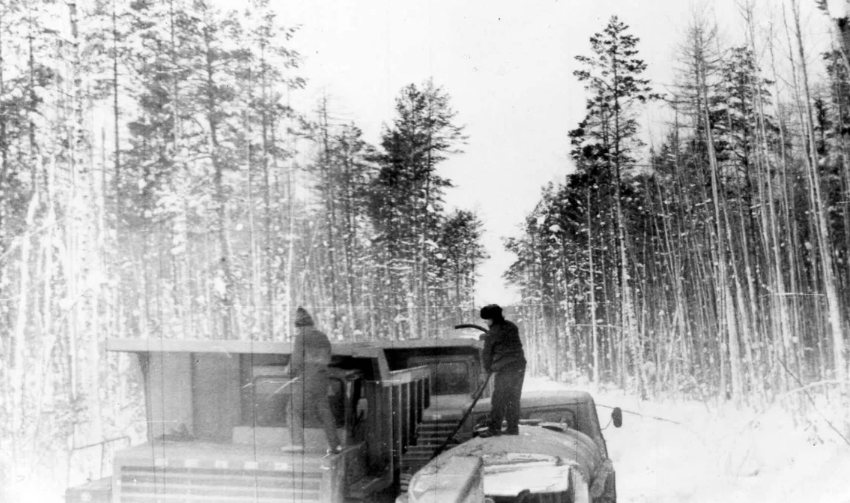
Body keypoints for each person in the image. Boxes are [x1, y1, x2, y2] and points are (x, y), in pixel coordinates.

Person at [284, 307, 342, 454]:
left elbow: (297, 361)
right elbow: (326, 358)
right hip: (322, 380)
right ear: (311, 323)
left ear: (298, 325)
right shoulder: (323, 336)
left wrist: (289, 370)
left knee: (292, 409)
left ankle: (297, 444)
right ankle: (335, 445)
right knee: (324, 412)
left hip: (306, 380)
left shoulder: (301, 337)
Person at [479, 304, 526, 437]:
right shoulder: (511, 326)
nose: (486, 323)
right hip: (519, 367)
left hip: (505, 369)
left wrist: (488, 368)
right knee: (513, 397)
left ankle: (494, 429)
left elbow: (486, 354)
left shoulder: (492, 333)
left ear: (492, 319)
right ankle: (512, 427)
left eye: (487, 320)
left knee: (499, 398)